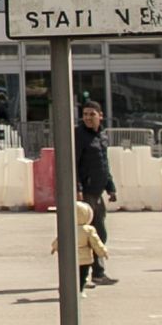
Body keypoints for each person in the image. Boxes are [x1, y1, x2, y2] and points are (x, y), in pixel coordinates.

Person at [72, 101, 118, 285]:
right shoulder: (79, 135)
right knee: (94, 233)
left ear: (101, 115)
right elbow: (73, 163)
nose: (88, 118)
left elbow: (103, 164)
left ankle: (95, 272)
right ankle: (93, 273)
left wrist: (110, 186)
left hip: (98, 191)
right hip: (87, 192)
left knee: (99, 232)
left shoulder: (101, 136)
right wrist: (78, 189)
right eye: (85, 114)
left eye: (92, 114)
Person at [50, 200, 110, 297]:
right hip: (85, 259)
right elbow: (96, 243)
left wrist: (54, 247)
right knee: (82, 276)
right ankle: (80, 291)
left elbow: (60, 239)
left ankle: (64, 289)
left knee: (68, 276)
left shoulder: (67, 227)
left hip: (69, 258)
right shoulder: (89, 230)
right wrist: (103, 252)